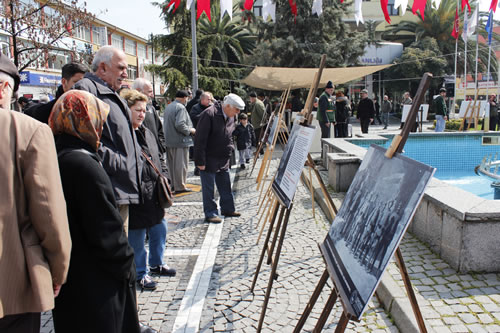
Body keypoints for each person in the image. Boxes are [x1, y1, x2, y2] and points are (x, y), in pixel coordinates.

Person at [49, 90, 140, 333]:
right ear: (87, 119)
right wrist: (128, 265)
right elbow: (106, 231)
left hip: (70, 276)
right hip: (97, 282)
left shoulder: (54, 156)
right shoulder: (84, 165)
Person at [0, 53, 71, 333]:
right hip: (13, 282)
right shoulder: (28, 131)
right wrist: (57, 270)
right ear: (4, 88)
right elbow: (49, 211)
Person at [73, 45, 142, 235]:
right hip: (108, 189)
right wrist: (118, 162)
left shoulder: (111, 93)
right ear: (102, 68)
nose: (125, 74)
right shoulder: (86, 90)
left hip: (120, 188)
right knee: (113, 255)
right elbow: (84, 139)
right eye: (121, 68)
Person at [121, 89, 176, 292]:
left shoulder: (146, 131)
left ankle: (157, 263)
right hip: (136, 195)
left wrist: (166, 177)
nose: (142, 114)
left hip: (154, 193)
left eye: (144, 110)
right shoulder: (122, 134)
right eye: (137, 110)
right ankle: (140, 273)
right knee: (136, 237)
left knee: (160, 229)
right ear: (126, 110)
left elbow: (159, 157)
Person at [194, 93, 244, 223]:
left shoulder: (231, 116)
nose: (238, 112)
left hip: (223, 157)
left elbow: (230, 135)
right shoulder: (209, 114)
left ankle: (228, 209)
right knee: (209, 188)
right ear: (227, 106)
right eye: (236, 109)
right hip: (209, 157)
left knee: (225, 185)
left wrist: (230, 148)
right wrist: (200, 161)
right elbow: (200, 139)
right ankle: (210, 213)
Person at [164, 90, 196, 193]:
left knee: (171, 165)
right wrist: (190, 130)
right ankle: (180, 186)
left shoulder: (169, 106)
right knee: (181, 165)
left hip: (169, 140)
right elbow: (180, 124)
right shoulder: (181, 107)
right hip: (180, 141)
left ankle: (173, 185)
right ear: (184, 98)